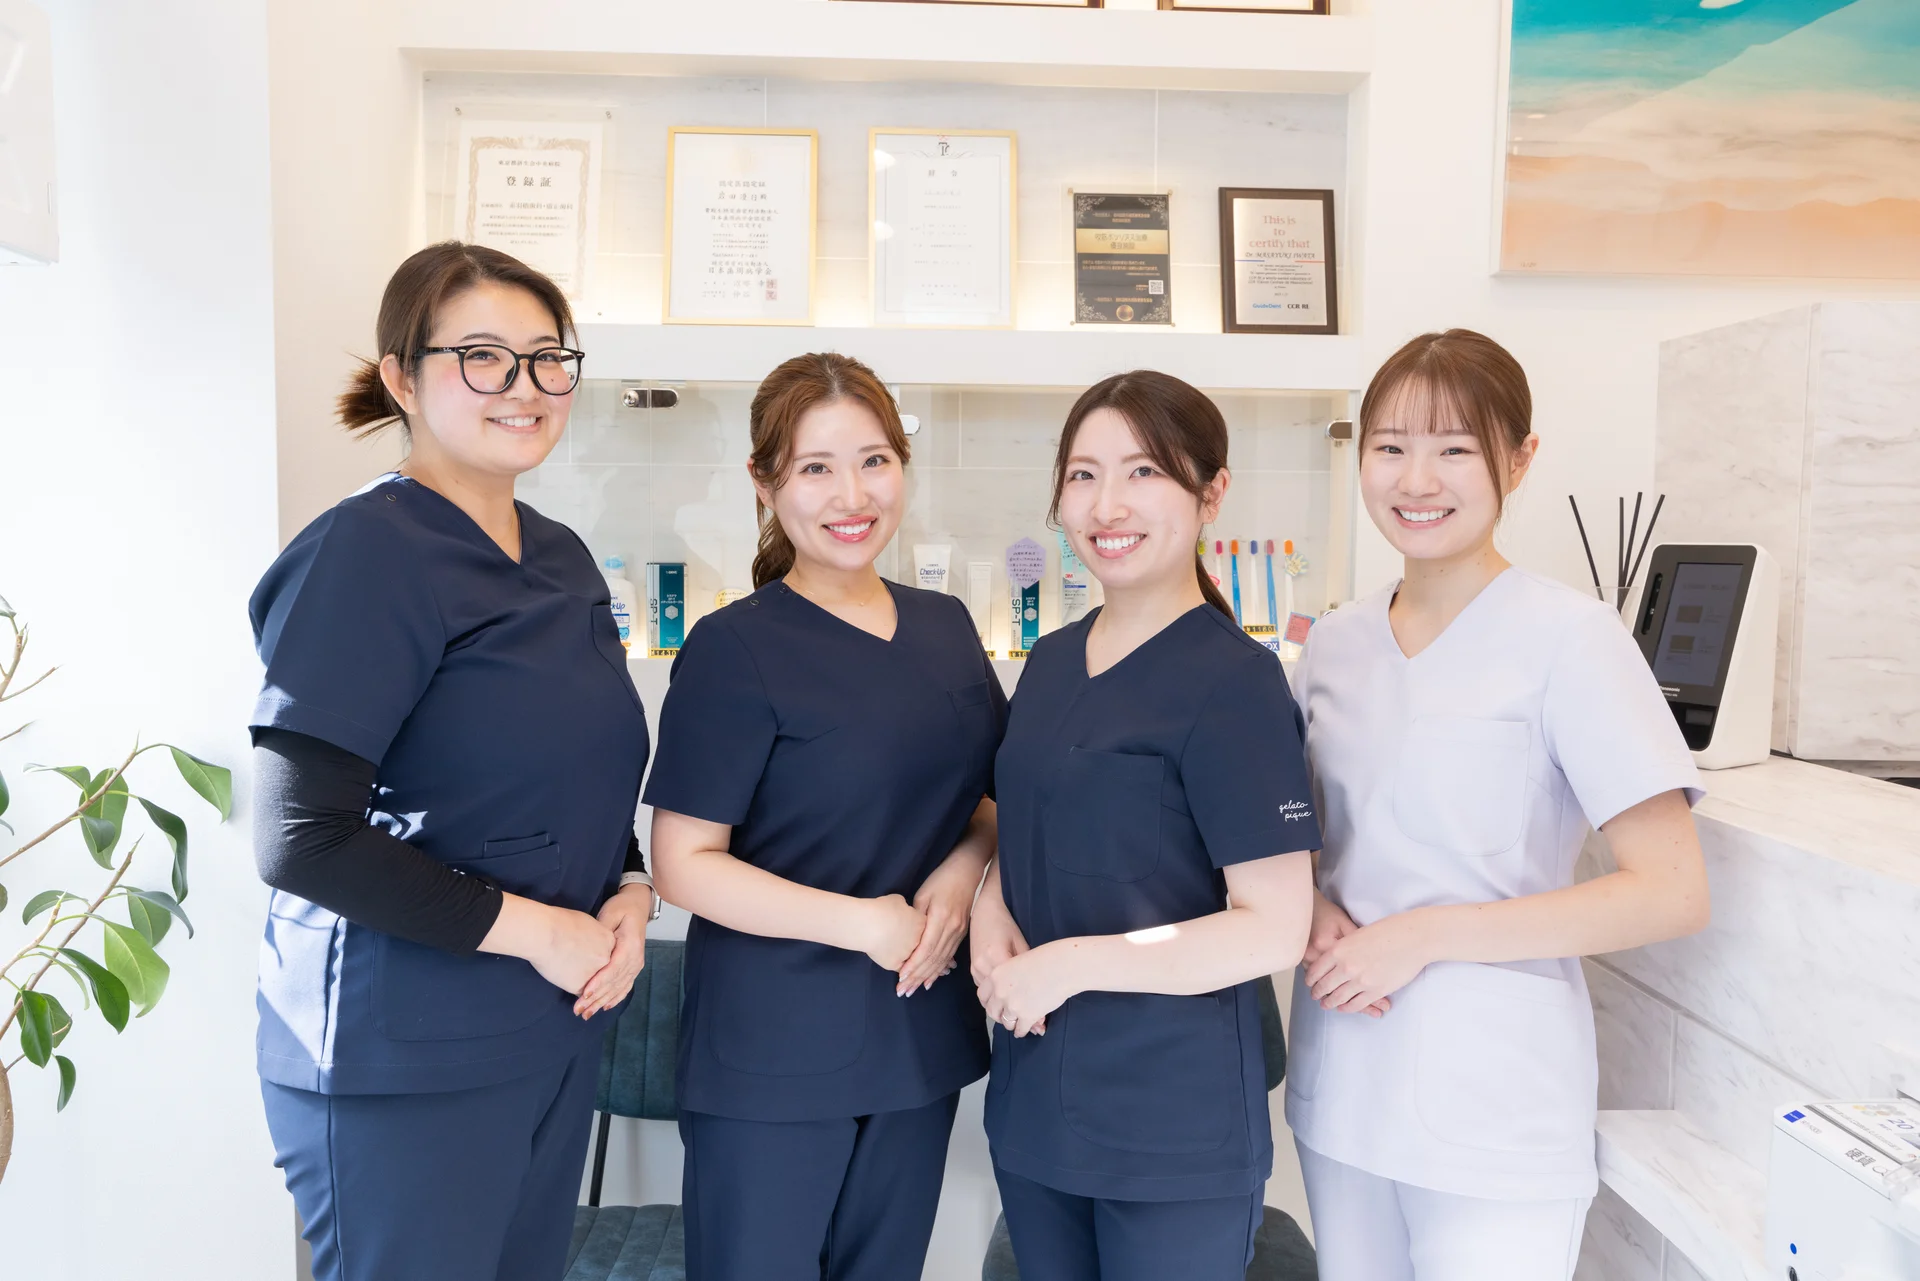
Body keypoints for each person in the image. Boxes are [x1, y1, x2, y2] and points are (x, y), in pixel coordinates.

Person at [247, 242, 657, 1281]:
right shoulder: (364, 552)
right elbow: (299, 835)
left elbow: (576, 766)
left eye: (547, 357)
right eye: (482, 357)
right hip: (402, 1053)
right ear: (401, 376)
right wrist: (546, 933)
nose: (525, 386)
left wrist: (629, 889)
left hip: (546, 1031)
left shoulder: (559, 555)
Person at [1285, 329, 1710, 1281]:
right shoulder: (1335, 644)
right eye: (1390, 446)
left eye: (1455, 448)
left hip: (1496, 1105)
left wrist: (1427, 934)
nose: (1416, 479)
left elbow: (1671, 889)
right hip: (1344, 1082)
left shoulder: (1573, 639)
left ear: (1518, 460)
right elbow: (1291, 842)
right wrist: (1307, 906)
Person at [644, 352, 1002, 1281]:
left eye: (875, 460)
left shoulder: (945, 626)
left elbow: (990, 798)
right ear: (764, 484)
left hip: (915, 1034)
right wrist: (864, 924)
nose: (853, 494)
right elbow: (682, 860)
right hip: (773, 1052)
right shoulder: (733, 648)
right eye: (816, 467)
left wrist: (960, 873)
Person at [971, 370, 1318, 1281]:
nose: (1107, 504)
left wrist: (1066, 965)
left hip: (1172, 1131)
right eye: (1083, 475)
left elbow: (1274, 926)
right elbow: (1028, 825)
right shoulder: (1049, 662)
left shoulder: (1236, 684)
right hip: (1037, 1103)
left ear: (1212, 491)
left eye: (1144, 472)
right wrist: (986, 906)